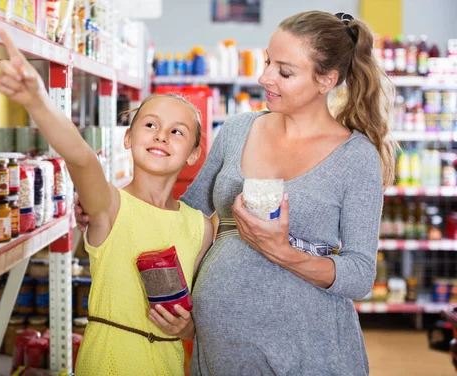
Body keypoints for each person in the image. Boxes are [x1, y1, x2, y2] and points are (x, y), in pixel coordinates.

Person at [76, 11, 395, 375]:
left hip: (307, 348)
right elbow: (179, 213)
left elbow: (359, 275)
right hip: (221, 345)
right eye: (267, 62)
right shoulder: (239, 128)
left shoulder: (356, 158)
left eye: (284, 72)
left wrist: (282, 252)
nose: (265, 78)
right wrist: (108, 208)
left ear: (327, 79)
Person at [0, 29, 214, 375]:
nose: (161, 135)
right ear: (128, 138)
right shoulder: (110, 205)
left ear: (194, 153)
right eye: (151, 124)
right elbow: (82, 158)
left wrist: (186, 328)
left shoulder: (200, 227)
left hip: (168, 364)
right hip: (107, 360)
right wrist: (36, 99)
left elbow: (198, 314)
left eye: (177, 131)